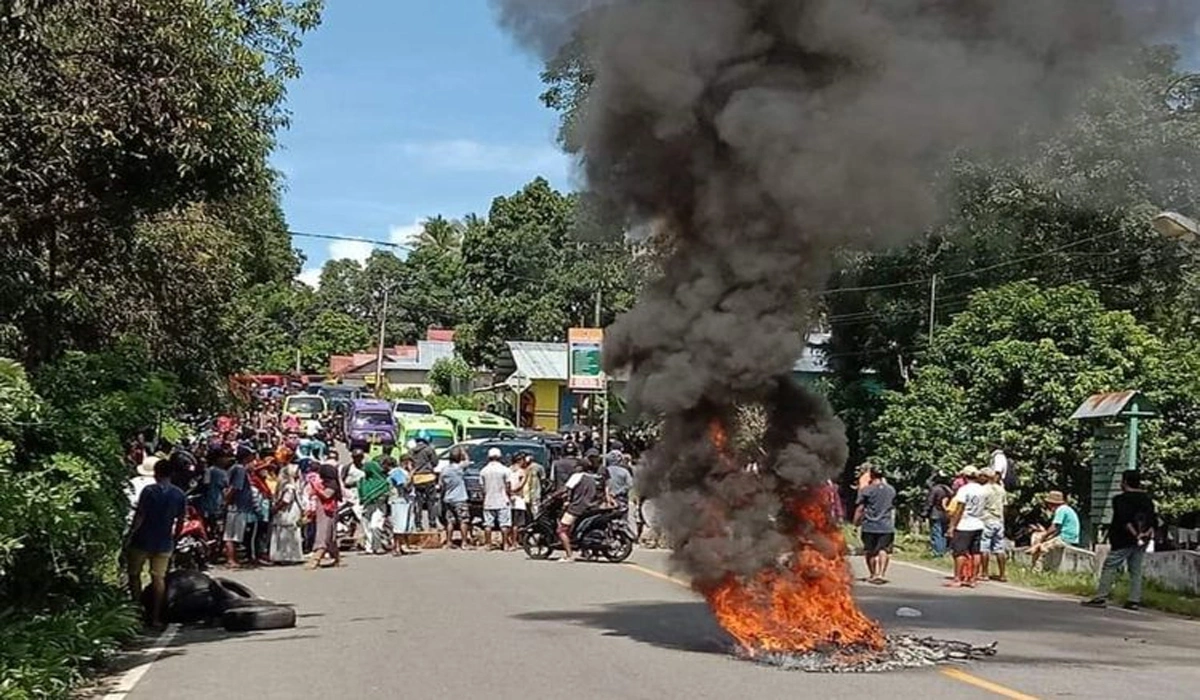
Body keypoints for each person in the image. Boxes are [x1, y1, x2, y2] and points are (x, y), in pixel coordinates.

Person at [1083, 471, 1157, 610]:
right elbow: (1153, 520)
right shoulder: (1147, 499)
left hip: (1123, 539)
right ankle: (1134, 599)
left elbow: (1125, 520)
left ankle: (1101, 597)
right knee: (1135, 569)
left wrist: (1135, 534)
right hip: (1143, 540)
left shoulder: (1120, 499)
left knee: (1110, 566)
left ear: (1125, 482)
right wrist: (1144, 534)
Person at [127, 456, 186, 629]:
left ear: (155, 473)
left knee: (134, 574)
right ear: (172, 473)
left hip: (142, 539)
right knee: (158, 578)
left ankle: (138, 612)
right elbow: (181, 521)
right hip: (164, 541)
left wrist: (130, 534)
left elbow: (140, 515)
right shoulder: (179, 494)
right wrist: (175, 538)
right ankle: (156, 616)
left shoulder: (149, 491)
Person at [854, 465, 896, 585]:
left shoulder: (867, 490)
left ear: (871, 475)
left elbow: (860, 508)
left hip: (870, 525)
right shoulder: (891, 490)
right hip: (886, 525)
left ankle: (873, 574)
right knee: (884, 549)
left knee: (870, 551)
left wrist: (856, 522)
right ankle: (881, 574)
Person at [947, 466, 988, 588]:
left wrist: (952, 526)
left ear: (965, 477)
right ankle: (973, 579)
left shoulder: (964, 490)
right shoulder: (983, 490)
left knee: (959, 552)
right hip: (978, 523)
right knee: (976, 552)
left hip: (965, 524)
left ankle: (957, 578)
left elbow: (959, 509)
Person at [222, 445, 257, 568]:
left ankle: (233, 558)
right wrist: (226, 502)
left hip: (238, 506)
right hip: (236, 507)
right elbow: (234, 488)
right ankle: (231, 559)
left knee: (235, 535)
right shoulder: (240, 469)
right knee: (231, 535)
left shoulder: (238, 469)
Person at [557, 457, 597, 562]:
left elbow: (566, 488)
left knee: (561, 530)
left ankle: (569, 555)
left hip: (576, 507)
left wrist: (554, 495)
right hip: (589, 507)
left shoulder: (577, 476)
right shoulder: (592, 478)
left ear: (580, 467)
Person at [1028, 490, 1081, 568]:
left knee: (1042, 547)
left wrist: (1044, 536)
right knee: (1039, 538)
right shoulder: (1066, 509)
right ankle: (1034, 549)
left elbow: (1054, 527)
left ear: (1051, 504)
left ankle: (1037, 569)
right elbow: (1058, 529)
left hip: (1066, 538)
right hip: (1069, 537)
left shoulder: (1061, 510)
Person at [307, 459, 343, 569]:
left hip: (328, 513)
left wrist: (316, 488)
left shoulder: (332, 484)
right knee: (331, 538)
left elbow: (327, 495)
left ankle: (315, 560)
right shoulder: (324, 483)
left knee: (323, 535)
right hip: (322, 511)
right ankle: (337, 559)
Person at [270, 463, 304, 564]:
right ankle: (286, 556)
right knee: (286, 533)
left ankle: (287, 556)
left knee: (287, 532)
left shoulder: (288, 486)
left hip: (288, 512)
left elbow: (286, 500)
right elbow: (285, 500)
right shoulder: (289, 485)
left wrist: (275, 509)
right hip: (288, 512)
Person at [479, 448, 512, 550]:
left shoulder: (484, 471)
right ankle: (505, 544)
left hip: (489, 500)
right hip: (502, 500)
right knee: (504, 524)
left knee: (488, 524)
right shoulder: (505, 470)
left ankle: (488, 544)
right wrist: (508, 496)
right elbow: (508, 485)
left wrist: (484, 499)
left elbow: (482, 487)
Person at [440, 447, 472, 549]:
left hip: (448, 498)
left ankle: (449, 542)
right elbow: (468, 461)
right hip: (460, 498)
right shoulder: (459, 468)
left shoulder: (444, 470)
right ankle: (464, 542)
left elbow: (441, 484)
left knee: (450, 521)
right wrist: (463, 452)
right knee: (463, 520)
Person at [979, 467, 1008, 582]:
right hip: (999, 520)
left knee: (984, 546)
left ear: (985, 477)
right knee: (999, 547)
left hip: (986, 519)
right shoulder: (1001, 490)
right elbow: (1005, 506)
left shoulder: (983, 490)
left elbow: (980, 506)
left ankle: (985, 573)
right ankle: (1002, 574)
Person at [358, 458, 391, 555]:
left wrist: (377, 497)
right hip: (366, 506)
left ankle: (378, 546)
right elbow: (361, 492)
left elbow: (385, 492)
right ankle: (369, 547)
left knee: (375, 526)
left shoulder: (382, 481)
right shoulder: (363, 481)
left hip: (379, 507)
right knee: (366, 527)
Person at [409, 434, 441, 530]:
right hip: (429, 478)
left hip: (416, 479)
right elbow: (435, 463)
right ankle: (432, 524)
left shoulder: (411, 451)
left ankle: (418, 524)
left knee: (418, 503)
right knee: (431, 502)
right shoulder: (429, 450)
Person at [388, 455, 414, 556]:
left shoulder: (405, 472)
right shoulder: (397, 472)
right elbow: (405, 486)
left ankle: (402, 545)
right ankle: (396, 547)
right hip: (399, 501)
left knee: (406, 525)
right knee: (399, 525)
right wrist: (411, 474)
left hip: (407, 501)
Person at [340, 448, 367, 546]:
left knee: (360, 515)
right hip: (350, 493)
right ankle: (348, 532)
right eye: (356, 457)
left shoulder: (365, 467)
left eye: (359, 457)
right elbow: (342, 479)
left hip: (361, 492)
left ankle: (360, 536)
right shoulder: (348, 467)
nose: (358, 459)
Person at [924, 474, 954, 557]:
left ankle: (938, 552)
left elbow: (929, 502)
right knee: (943, 534)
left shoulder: (935, 489)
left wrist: (924, 513)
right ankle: (943, 550)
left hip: (936, 514)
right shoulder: (949, 490)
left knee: (936, 533)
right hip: (946, 515)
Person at [507, 453, 529, 544]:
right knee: (516, 523)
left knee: (509, 522)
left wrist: (509, 492)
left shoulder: (507, 470)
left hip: (508, 498)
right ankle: (514, 541)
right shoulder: (522, 471)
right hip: (518, 498)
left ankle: (508, 539)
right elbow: (521, 485)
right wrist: (514, 491)